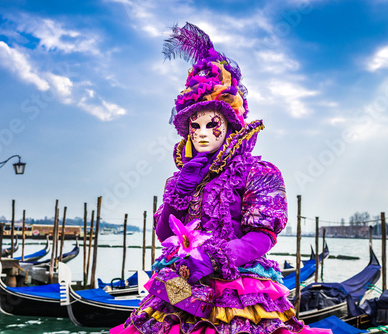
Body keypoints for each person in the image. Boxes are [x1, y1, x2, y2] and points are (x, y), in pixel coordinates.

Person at [111, 23, 331, 334]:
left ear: (229, 126)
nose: (201, 133)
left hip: (239, 288)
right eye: (194, 126)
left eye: (210, 124)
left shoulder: (258, 172)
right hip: (179, 287)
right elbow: (166, 235)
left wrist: (216, 258)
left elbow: (263, 235)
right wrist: (179, 193)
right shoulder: (182, 178)